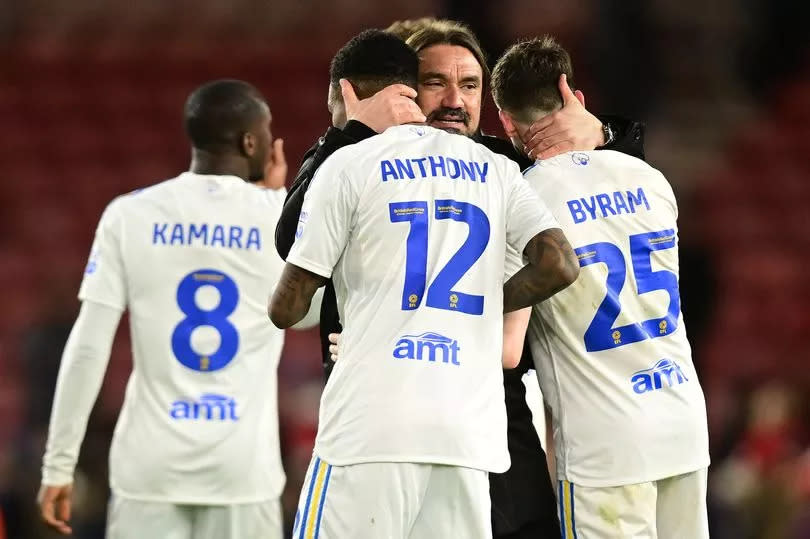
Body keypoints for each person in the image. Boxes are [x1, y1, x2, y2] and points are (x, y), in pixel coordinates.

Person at [273, 18, 648, 539]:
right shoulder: (371, 161)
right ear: (401, 88)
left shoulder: (503, 164)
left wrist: (603, 135)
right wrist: (351, 132)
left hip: (492, 435)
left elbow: (604, 198)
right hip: (413, 426)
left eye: (470, 85)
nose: (454, 99)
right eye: (435, 83)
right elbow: (290, 237)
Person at [37, 79, 319, 539]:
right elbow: (309, 314)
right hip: (242, 472)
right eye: (267, 131)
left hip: (149, 470)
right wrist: (274, 203)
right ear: (251, 141)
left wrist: (58, 465)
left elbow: (88, 346)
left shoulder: (129, 214)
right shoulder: (279, 217)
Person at [491, 36, 710, 538]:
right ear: (574, 94)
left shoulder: (524, 200)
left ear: (505, 123)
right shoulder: (651, 178)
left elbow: (508, 350)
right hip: (681, 422)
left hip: (604, 447)